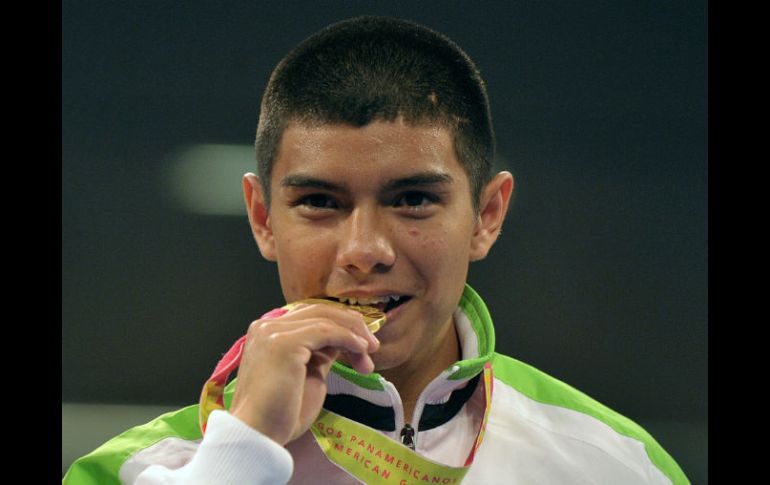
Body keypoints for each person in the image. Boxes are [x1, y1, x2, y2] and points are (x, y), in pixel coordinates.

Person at [63, 15, 689, 485]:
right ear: (262, 219)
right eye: (319, 202)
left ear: (487, 215)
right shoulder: (137, 470)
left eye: (414, 199)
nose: (364, 250)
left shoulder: (618, 463)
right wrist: (241, 452)